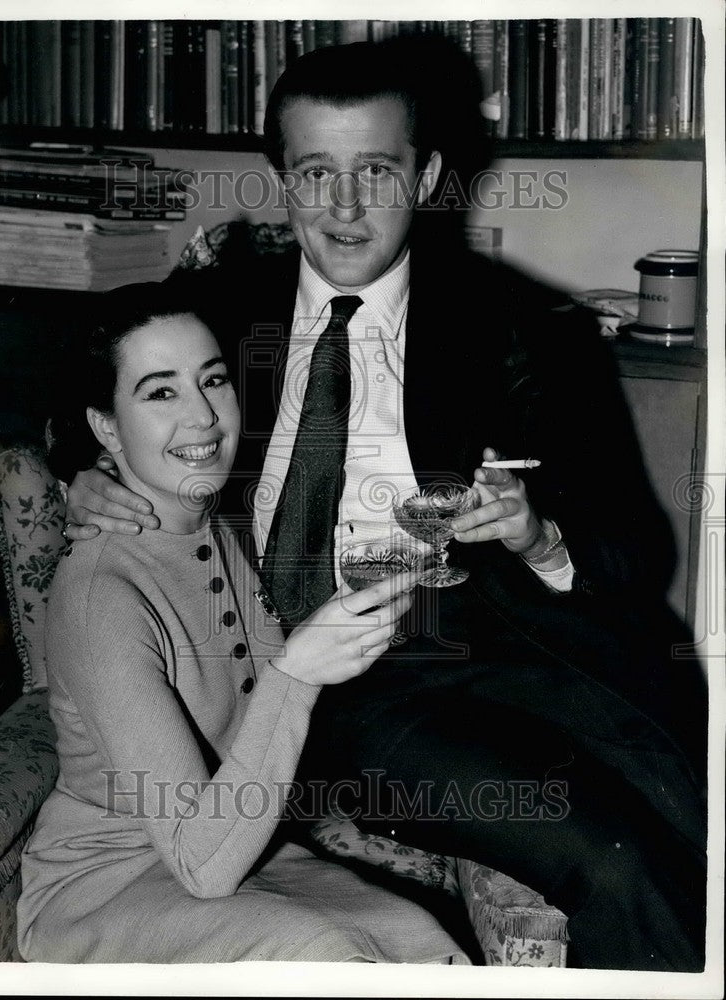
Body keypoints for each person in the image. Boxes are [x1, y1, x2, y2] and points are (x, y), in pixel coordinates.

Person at [61, 39, 707, 970]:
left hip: (446, 668)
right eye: (316, 173)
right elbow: (83, 390)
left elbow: (633, 552)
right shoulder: (216, 304)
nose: (346, 207)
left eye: (377, 170)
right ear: (282, 181)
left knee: (651, 829)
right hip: (264, 682)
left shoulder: (522, 332)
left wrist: (535, 531)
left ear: (428, 173)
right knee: (617, 862)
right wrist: (88, 469)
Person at [16, 279, 469, 964]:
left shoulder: (214, 525)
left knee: (422, 946)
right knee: (330, 956)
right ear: (105, 426)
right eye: (160, 391)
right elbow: (203, 866)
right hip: (109, 888)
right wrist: (297, 674)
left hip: (247, 848)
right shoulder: (102, 597)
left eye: (214, 380)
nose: (202, 416)